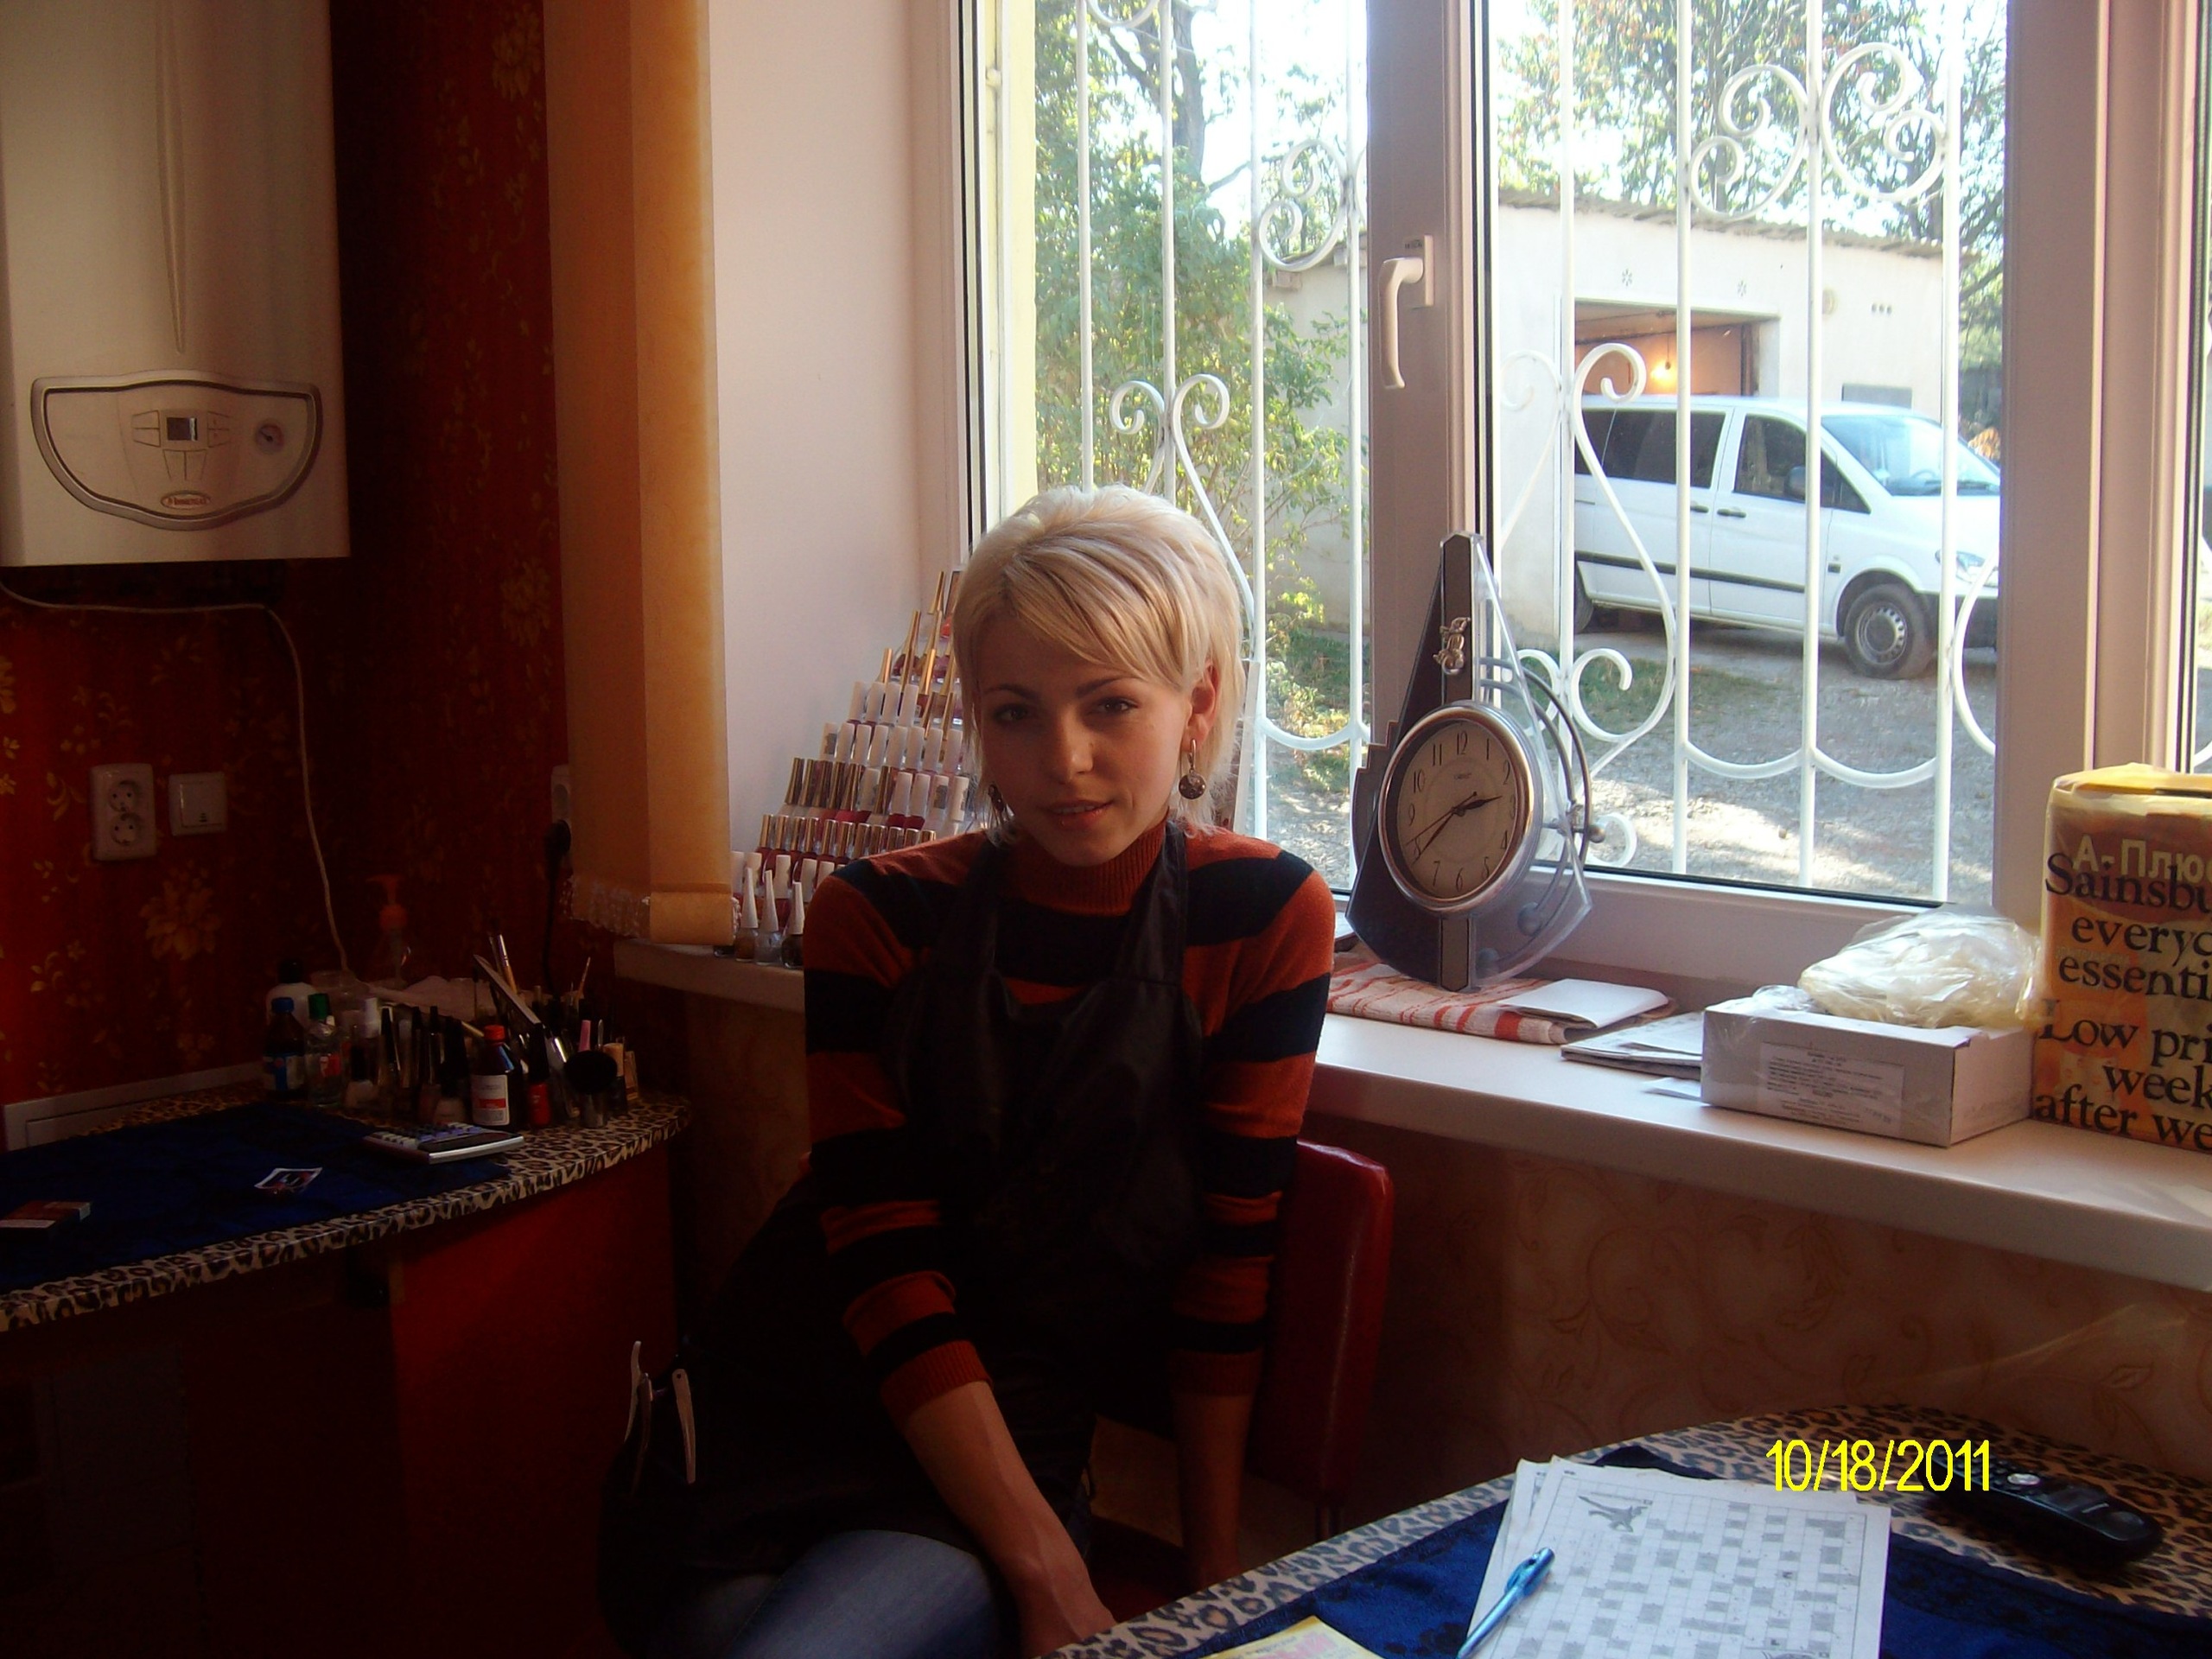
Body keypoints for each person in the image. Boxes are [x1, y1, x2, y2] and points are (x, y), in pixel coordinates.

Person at [623, 486, 1336, 1659]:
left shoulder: (1260, 916)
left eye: (1112, 704)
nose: (1064, 761)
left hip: (998, 1462)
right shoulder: (876, 916)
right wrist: (1053, 1575)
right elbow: (886, 1266)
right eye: (1016, 713)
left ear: (1199, 704)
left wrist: (1211, 1580)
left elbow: (1228, 1267)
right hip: (774, 1418)